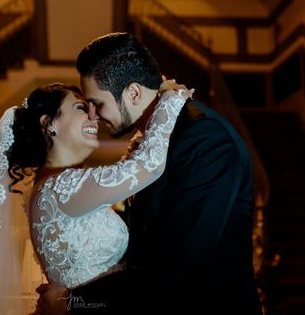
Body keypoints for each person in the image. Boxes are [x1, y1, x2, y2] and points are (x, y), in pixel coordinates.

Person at [36, 32, 262, 314]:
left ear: (132, 93)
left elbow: (178, 273)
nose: (93, 115)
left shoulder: (205, 142)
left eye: (98, 103)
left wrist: (74, 301)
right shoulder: (149, 145)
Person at [0, 79, 192, 314]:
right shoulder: (61, 188)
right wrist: (170, 99)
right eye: (81, 108)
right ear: (49, 124)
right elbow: (148, 165)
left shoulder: (53, 186)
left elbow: (129, 170)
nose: (94, 116)